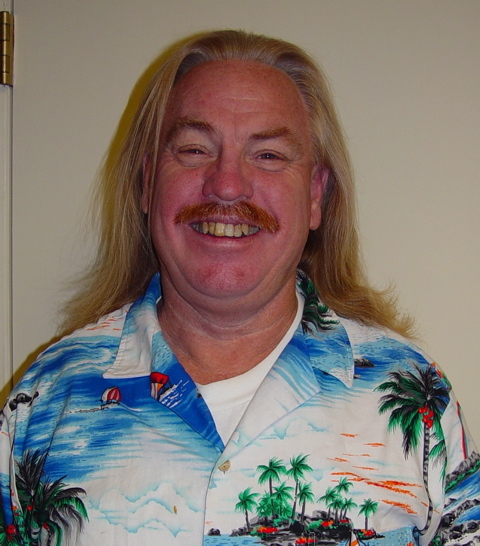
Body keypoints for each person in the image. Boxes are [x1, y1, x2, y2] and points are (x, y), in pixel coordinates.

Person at [0, 30, 478, 546]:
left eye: (268, 155)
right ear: (147, 183)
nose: (227, 184)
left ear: (315, 195)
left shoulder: (414, 398)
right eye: (194, 149)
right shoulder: (43, 402)